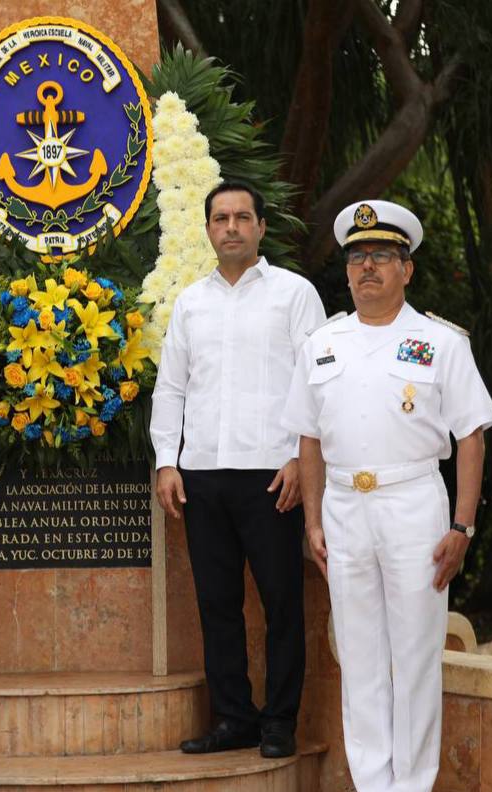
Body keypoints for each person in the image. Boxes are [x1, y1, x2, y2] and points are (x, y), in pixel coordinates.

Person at [282, 200, 492, 792]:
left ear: (406, 268)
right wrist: (314, 520)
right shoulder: (322, 343)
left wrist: (462, 527)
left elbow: (472, 437)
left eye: (380, 257)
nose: (366, 267)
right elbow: (309, 440)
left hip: (413, 504)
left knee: (414, 653)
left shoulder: (440, 342)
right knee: (360, 655)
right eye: (356, 258)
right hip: (345, 507)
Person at [150, 180, 326, 758]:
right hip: (202, 475)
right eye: (221, 218)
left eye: (242, 217)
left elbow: (317, 383)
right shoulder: (191, 302)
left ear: (260, 227)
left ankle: (279, 721)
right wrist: (166, 462)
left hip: (272, 476)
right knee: (217, 604)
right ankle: (233, 718)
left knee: (281, 604)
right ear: (207, 229)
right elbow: (171, 387)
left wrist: (303, 462)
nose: (231, 227)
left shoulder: (294, 295)